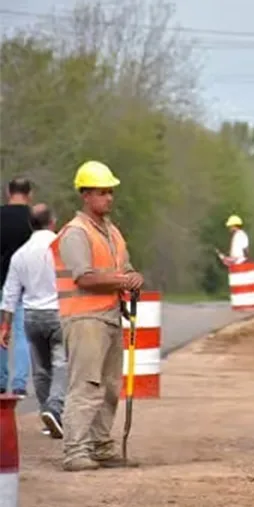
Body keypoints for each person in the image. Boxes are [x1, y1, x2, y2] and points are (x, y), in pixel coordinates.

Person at [51, 160, 143, 472]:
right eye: (103, 192)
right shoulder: (75, 233)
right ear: (86, 195)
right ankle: (76, 450)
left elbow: (124, 268)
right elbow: (84, 277)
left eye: (110, 192)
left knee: (109, 386)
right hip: (84, 319)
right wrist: (122, 281)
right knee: (86, 386)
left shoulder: (112, 232)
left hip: (109, 316)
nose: (109, 198)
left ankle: (101, 446)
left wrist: (133, 277)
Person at [0, 204, 66, 438]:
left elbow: (10, 293)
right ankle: (55, 409)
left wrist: (6, 324)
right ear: (52, 222)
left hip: (31, 315)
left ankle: (47, 414)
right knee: (61, 364)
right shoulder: (61, 248)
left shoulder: (21, 254)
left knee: (40, 369)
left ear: (30, 225)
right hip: (58, 312)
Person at [0, 177, 34, 396]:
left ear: (7, 192)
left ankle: (1, 382)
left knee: (1, 332)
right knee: (22, 335)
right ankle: (20, 384)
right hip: (25, 285)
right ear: (30, 194)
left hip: (0, 280)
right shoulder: (33, 219)